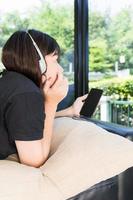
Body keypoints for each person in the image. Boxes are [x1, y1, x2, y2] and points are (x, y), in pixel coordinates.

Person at [0, 29, 87, 167]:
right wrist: (51, 103)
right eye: (55, 60)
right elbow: (34, 160)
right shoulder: (26, 93)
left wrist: (69, 111)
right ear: (39, 62)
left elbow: (24, 123)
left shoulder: (10, 82)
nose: (61, 69)